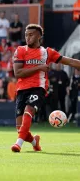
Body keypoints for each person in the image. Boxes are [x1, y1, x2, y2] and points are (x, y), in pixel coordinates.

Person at [11, 24, 80, 153]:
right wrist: (39, 67)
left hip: (38, 88)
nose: (28, 37)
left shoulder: (47, 52)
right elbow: (18, 73)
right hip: (21, 89)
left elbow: (70, 61)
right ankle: (34, 141)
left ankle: (18, 144)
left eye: (31, 35)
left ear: (39, 36)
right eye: (26, 35)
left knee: (28, 110)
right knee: (20, 128)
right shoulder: (20, 50)